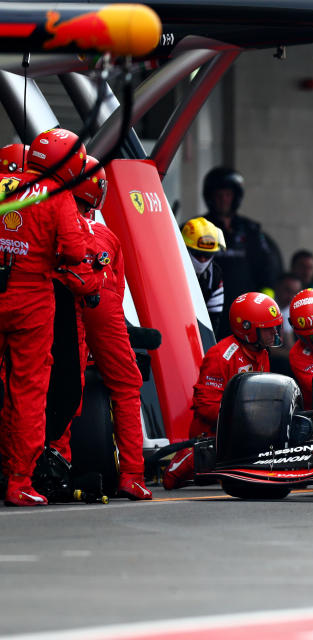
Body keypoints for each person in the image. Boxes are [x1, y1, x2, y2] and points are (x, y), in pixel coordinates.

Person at [0, 128, 88, 506]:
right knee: (29, 390)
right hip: (32, 297)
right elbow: (74, 250)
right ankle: (19, 480)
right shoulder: (59, 195)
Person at [71, 157, 151, 500]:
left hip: (61, 300)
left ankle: (53, 467)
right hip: (101, 303)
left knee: (58, 384)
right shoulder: (107, 236)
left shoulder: (41, 218)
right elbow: (115, 293)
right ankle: (132, 474)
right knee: (127, 384)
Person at [163, 292, 283, 490]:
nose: (274, 333)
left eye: (275, 328)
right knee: (173, 479)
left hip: (248, 430)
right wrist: (245, 420)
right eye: (268, 329)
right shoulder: (221, 356)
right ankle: (192, 460)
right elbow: (206, 406)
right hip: (214, 435)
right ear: (247, 328)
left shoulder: (261, 353)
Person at [201, 167, 279, 336]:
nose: (223, 200)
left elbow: (267, 272)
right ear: (210, 197)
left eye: (227, 195)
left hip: (247, 317)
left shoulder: (252, 231)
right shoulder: (197, 228)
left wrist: (263, 307)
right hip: (207, 314)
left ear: (235, 197)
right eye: (218, 195)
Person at [181, 217, 226, 333]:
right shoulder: (170, 270)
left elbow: (214, 320)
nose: (202, 260)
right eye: (197, 254)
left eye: (207, 255)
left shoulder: (215, 275)